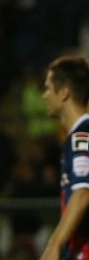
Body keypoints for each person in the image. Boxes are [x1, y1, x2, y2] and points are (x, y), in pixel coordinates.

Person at [40, 56, 89, 260]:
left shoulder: (81, 136)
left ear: (64, 93)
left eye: (48, 88)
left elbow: (83, 192)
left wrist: (54, 245)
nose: (44, 96)